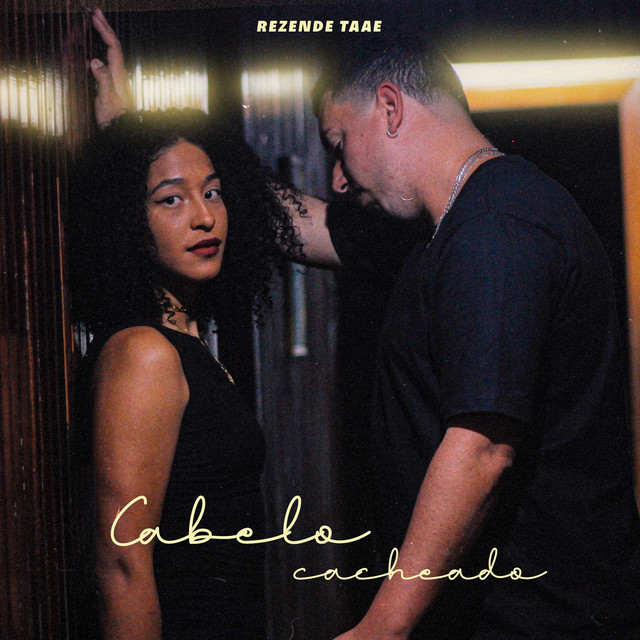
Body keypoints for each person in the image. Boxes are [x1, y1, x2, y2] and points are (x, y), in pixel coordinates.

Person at [89, 13, 640, 639]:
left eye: (338, 143)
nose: (338, 179)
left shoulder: (496, 229)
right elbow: (277, 220)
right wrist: (132, 150)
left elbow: (483, 446)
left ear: (390, 108)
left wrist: (380, 628)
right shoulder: (443, 230)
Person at [68, 107, 300, 640]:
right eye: (171, 199)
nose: (204, 217)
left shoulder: (186, 346)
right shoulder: (143, 354)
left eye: (212, 192)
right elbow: (121, 567)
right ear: (127, 220)